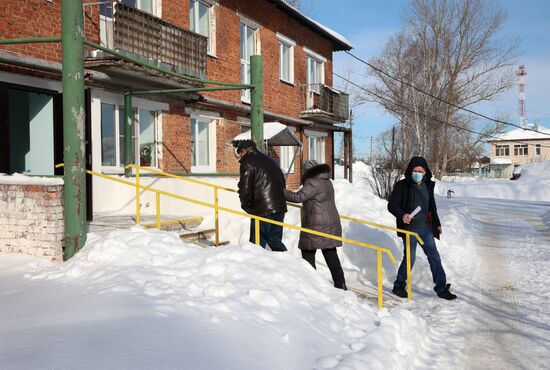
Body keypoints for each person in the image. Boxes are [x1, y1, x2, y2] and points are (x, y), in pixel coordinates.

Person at [388, 156, 457, 300]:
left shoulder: (428, 185)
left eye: (420, 170)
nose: (417, 173)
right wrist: (402, 215)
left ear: (425, 172)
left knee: (434, 256)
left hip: (425, 228)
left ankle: (441, 287)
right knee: (410, 258)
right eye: (415, 170)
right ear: (410, 171)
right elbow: (392, 205)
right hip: (409, 229)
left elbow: (431, 207)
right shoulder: (402, 185)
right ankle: (399, 285)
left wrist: (436, 224)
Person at [284, 160, 346, 290]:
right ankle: (341, 284)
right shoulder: (326, 181)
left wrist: (281, 191)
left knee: (307, 252)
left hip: (316, 223)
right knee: (330, 253)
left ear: (308, 171)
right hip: (331, 222)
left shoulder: (313, 182)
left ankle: (311, 286)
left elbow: (298, 197)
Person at [236, 140, 288, 252]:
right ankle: (288, 264)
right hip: (279, 207)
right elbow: (283, 183)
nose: (239, 156)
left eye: (240, 152)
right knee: (275, 240)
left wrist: (246, 206)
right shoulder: (271, 161)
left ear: (244, 150)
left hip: (262, 209)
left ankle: (255, 268)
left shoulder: (248, 162)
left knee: (256, 244)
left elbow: (245, 189)